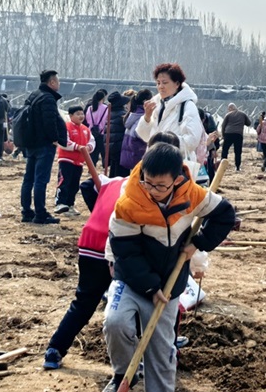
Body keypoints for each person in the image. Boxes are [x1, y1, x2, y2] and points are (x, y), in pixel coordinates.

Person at [102, 142, 236, 392]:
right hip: (131, 279)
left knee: (162, 350)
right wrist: (150, 286)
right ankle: (124, 373)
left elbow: (225, 214)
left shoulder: (192, 194)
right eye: (147, 182)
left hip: (170, 283)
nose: (151, 189)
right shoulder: (130, 202)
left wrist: (197, 245)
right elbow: (126, 250)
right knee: (115, 323)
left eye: (160, 186)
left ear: (176, 179)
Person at [44, 132, 182, 371]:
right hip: (115, 248)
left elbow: (89, 185)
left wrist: (96, 208)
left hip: (89, 242)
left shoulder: (114, 181)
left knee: (84, 301)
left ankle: (55, 348)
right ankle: (152, 354)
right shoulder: (150, 193)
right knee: (142, 300)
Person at [20, 70, 68, 225]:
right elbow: (50, 122)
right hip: (43, 145)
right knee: (40, 180)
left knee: (29, 179)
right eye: (58, 82)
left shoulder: (34, 95)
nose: (59, 84)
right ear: (52, 82)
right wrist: (55, 139)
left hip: (31, 143)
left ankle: (27, 211)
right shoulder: (47, 98)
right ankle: (40, 214)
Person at [134, 63, 204, 169]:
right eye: (158, 83)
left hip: (175, 166)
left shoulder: (187, 106)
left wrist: (166, 143)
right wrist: (147, 118)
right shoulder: (156, 104)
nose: (160, 86)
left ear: (177, 84)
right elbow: (145, 137)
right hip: (154, 164)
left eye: (165, 82)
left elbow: (193, 140)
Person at [53, 105, 95, 216]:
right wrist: (77, 147)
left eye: (82, 114)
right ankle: (60, 203)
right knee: (64, 181)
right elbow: (64, 142)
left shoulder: (85, 129)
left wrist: (88, 148)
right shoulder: (66, 127)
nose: (81, 116)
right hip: (66, 159)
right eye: (78, 114)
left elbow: (92, 141)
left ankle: (70, 204)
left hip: (79, 162)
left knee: (74, 184)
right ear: (71, 116)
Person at [120, 89, 152, 173]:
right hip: (138, 157)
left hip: (130, 156)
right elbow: (143, 136)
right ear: (146, 101)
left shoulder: (132, 115)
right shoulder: (143, 118)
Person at [106, 90, 131, 178]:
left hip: (111, 148)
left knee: (113, 173)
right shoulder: (123, 115)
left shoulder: (109, 113)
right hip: (121, 148)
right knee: (122, 176)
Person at [220, 103, 251, 172]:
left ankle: (222, 166)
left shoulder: (228, 115)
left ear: (230, 108)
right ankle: (237, 167)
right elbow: (249, 123)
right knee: (238, 151)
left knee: (225, 150)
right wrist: (242, 121)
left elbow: (223, 126)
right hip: (238, 134)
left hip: (228, 133)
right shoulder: (243, 114)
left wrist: (223, 135)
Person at [85, 89, 108, 169]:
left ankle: (91, 167)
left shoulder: (90, 108)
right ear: (103, 98)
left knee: (93, 151)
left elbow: (87, 120)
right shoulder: (106, 108)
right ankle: (105, 167)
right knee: (103, 151)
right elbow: (107, 121)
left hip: (92, 133)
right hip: (102, 133)